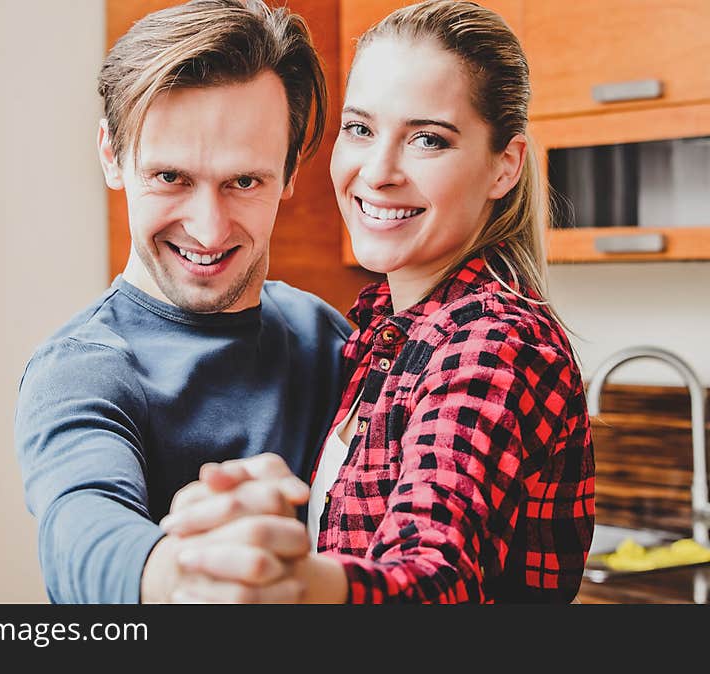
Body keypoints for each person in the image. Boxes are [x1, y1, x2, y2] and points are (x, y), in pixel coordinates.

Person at [160, 0, 596, 603]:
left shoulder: (491, 342)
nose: (378, 171)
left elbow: (435, 573)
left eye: (427, 139)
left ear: (505, 167)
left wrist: (298, 584)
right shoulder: (381, 334)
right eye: (361, 129)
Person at [13, 0, 353, 604]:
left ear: (290, 169)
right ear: (111, 155)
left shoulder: (326, 335)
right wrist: (185, 576)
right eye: (171, 178)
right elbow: (81, 527)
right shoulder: (80, 369)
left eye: (244, 181)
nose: (208, 228)